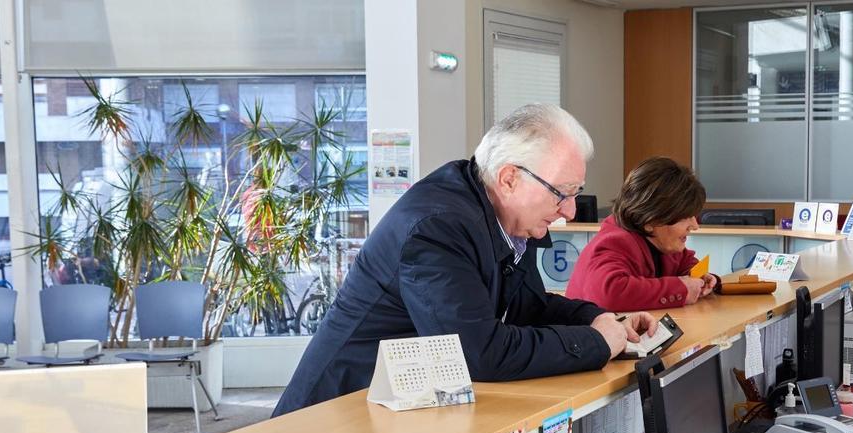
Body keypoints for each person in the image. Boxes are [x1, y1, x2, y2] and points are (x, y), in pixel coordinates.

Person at [273, 104, 656, 416]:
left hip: (400, 407)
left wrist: (600, 320)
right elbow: (478, 353)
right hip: (335, 414)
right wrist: (594, 343)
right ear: (509, 179)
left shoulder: (506, 217)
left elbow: (529, 306)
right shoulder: (437, 229)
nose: (570, 211)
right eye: (562, 193)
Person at [565, 157, 719, 311]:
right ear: (651, 220)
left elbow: (686, 264)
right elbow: (609, 293)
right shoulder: (615, 242)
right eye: (685, 217)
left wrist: (703, 279)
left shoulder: (664, 242)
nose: (695, 225)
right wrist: (681, 289)